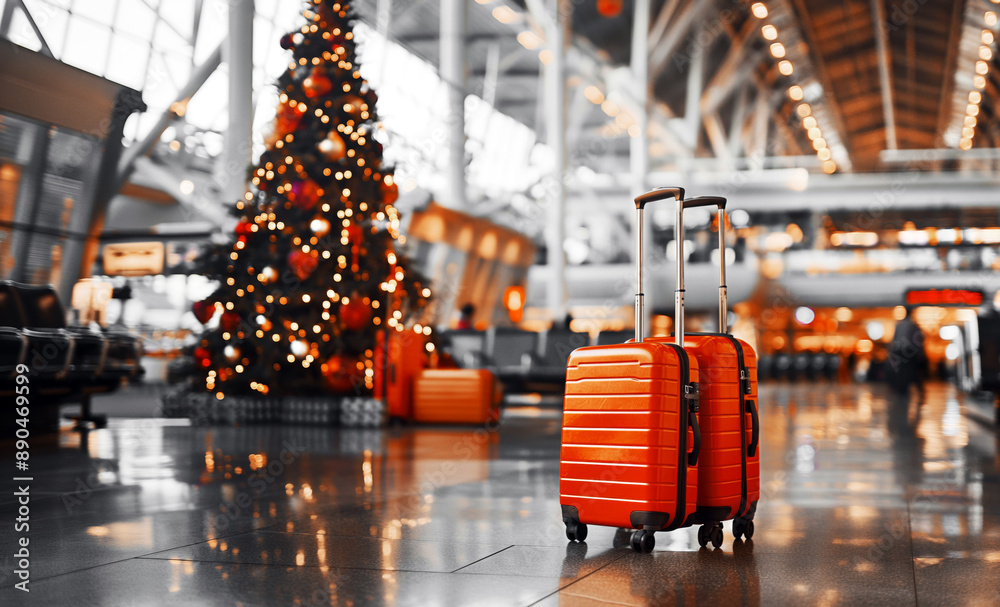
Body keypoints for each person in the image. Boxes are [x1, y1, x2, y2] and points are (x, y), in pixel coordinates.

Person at [887, 307, 926, 399]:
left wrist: (892, 352)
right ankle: (913, 389)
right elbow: (917, 342)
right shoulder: (913, 326)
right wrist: (920, 355)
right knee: (910, 371)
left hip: (899, 351)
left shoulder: (899, 325)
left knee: (900, 371)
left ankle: (901, 389)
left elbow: (894, 339)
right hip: (909, 352)